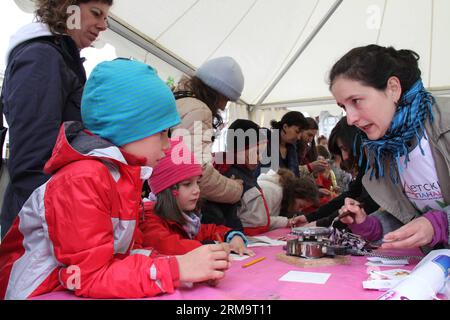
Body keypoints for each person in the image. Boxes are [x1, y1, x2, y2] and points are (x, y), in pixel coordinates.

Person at [0, 59, 231, 300]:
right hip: (36, 292)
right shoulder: (82, 179)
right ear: (130, 128)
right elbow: (89, 276)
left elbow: (123, 257)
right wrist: (178, 268)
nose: (167, 145)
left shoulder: (122, 179)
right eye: (162, 132)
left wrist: (187, 265)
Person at [1, 0, 112, 238]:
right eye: (96, 13)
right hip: (39, 220)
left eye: (106, 17)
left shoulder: (60, 58)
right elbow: (35, 156)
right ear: (67, 7)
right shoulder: (42, 57)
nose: (103, 25)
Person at [329, 44, 450, 249]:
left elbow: (432, 224)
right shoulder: (382, 148)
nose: (350, 119)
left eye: (356, 101)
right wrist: (371, 226)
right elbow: (411, 217)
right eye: (343, 107)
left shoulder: (444, 123)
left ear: (393, 88)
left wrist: (441, 223)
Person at [140, 137, 254, 257]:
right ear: (166, 190)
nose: (197, 190)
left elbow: (208, 231)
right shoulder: (148, 219)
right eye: (187, 184)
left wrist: (232, 235)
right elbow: (170, 247)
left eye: (197, 183)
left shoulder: (187, 220)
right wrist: (211, 246)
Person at [171, 57, 245, 205]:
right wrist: (236, 189)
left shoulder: (178, 99)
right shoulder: (198, 110)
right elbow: (197, 173)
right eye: (226, 99)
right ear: (215, 93)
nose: (223, 107)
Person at [294, 117, 380, 229]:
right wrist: (311, 218)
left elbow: (364, 202)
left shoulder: (375, 165)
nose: (344, 157)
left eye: (344, 148)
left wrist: (319, 222)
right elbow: (352, 194)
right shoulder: (368, 165)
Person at [258, 111, 308, 177]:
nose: (298, 137)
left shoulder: (292, 148)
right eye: (297, 131)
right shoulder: (265, 144)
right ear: (285, 127)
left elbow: (296, 176)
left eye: (301, 133)